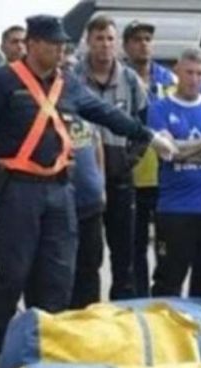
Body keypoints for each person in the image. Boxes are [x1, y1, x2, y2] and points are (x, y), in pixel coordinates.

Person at [0, 15, 176, 368]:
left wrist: (148, 135)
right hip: (19, 189)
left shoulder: (67, 83)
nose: (61, 50)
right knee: (13, 272)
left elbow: (104, 113)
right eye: (54, 44)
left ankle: (48, 348)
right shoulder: (2, 81)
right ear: (34, 44)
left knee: (59, 274)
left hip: (61, 189)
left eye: (63, 44)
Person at [149, 47, 201, 297]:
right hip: (175, 210)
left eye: (200, 73)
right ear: (177, 71)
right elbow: (166, 152)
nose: (194, 79)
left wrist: (182, 149)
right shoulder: (159, 109)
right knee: (168, 284)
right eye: (189, 72)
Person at [76, 15, 149, 302]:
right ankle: (87, 313)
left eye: (109, 39)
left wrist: (129, 160)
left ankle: (123, 313)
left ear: (117, 43)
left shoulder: (130, 80)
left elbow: (144, 127)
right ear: (88, 42)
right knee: (87, 254)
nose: (105, 45)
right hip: (84, 178)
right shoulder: (73, 78)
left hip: (120, 176)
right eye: (98, 39)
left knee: (125, 253)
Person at [125, 20, 177, 297]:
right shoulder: (119, 78)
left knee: (166, 246)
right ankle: (139, 300)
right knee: (134, 247)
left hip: (164, 175)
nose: (143, 44)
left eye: (147, 38)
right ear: (126, 46)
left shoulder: (170, 80)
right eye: (136, 39)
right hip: (131, 175)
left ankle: (163, 300)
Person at [68, 116, 108, 309]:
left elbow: (97, 143)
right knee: (62, 268)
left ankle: (90, 317)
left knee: (91, 264)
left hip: (91, 201)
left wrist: (101, 184)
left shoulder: (85, 107)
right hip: (61, 204)